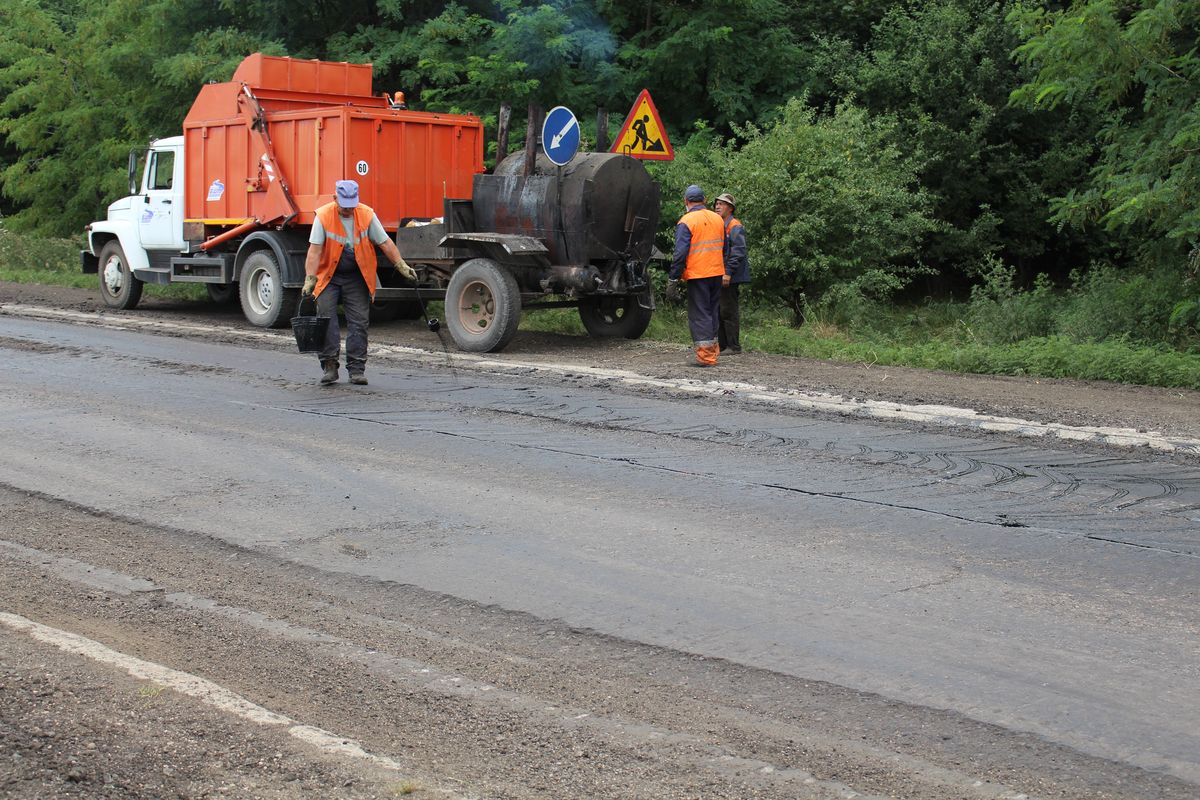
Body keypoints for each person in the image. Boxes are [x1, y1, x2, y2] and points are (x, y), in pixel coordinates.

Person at [301, 179, 415, 386]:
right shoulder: (324, 216)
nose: (348, 210)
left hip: (357, 275)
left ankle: (356, 369)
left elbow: (385, 243)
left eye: (351, 205)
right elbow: (315, 251)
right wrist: (310, 278)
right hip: (329, 275)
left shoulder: (366, 215)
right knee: (326, 319)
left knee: (359, 322)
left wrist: (401, 265)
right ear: (335, 198)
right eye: (344, 206)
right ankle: (329, 366)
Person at [666, 184, 725, 367]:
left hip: (698, 274)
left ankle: (705, 357)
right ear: (704, 200)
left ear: (686, 201)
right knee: (712, 311)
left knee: (700, 314)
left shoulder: (687, 221)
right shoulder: (718, 219)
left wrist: (673, 279)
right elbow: (725, 247)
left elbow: (680, 253)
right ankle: (712, 352)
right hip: (717, 272)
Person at [714, 192, 750, 354]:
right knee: (721, 310)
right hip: (722, 273)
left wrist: (728, 273)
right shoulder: (720, 224)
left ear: (730, 208)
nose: (717, 206)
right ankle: (723, 346)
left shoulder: (734, 225)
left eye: (721, 204)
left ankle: (733, 346)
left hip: (730, 276)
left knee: (728, 310)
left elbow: (738, 252)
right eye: (717, 203)